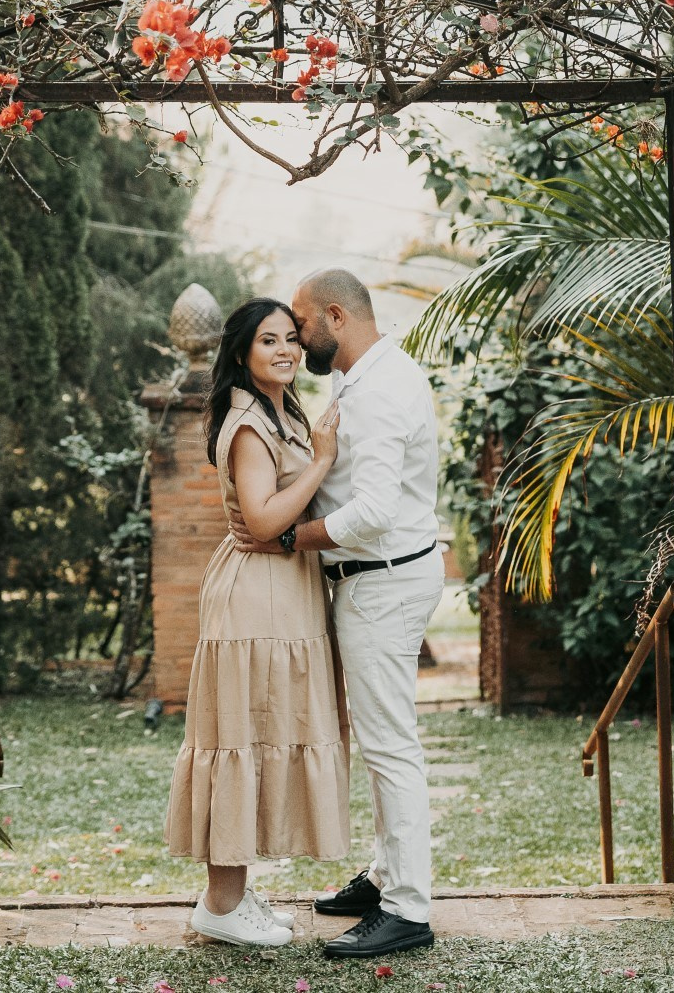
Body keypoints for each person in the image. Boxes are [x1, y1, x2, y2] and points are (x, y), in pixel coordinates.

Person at [231, 268, 443, 959]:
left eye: (300, 325)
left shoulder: (378, 390)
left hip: (384, 581)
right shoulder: (360, 377)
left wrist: (290, 537)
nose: (296, 339)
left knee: (390, 746)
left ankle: (407, 909)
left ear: (335, 316)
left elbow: (375, 510)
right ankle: (384, 878)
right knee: (382, 741)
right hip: (376, 580)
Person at [163, 297, 350, 948]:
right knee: (241, 736)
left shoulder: (280, 410)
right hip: (255, 598)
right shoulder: (247, 424)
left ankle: (233, 893)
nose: (286, 349)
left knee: (263, 733)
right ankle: (220, 903)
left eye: (292, 338)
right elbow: (265, 519)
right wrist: (322, 461)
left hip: (284, 591)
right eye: (269, 339)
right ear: (241, 352)